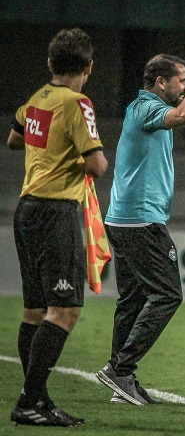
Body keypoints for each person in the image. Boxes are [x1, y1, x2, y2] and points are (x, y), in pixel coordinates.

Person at [95, 41, 185, 405]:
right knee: (167, 294)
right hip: (140, 220)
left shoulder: (144, 109)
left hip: (124, 218)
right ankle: (121, 369)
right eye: (182, 80)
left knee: (132, 299)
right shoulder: (147, 107)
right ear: (161, 82)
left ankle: (121, 378)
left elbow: (184, 111)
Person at [8, 28, 108, 426]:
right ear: (89, 68)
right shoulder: (78, 104)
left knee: (35, 311)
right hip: (55, 212)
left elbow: (14, 139)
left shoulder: (37, 99)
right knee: (64, 310)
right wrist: (74, 159)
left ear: (50, 63)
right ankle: (28, 402)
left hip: (26, 211)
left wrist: (49, 151)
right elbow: (97, 165)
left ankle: (40, 401)